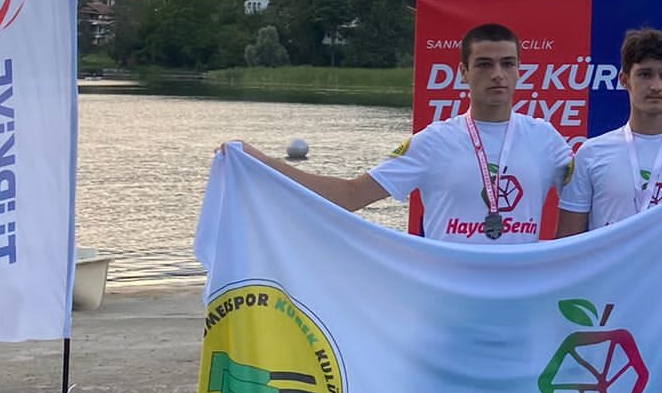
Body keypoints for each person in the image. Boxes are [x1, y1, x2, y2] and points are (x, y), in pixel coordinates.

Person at [237, 22, 572, 241]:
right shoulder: (433, 142)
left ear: (519, 70)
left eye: (507, 63)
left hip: (522, 302)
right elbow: (350, 196)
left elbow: (592, 204)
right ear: (463, 72)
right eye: (484, 64)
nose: (497, 74)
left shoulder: (546, 140)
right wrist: (258, 161)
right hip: (447, 304)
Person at [555, 27, 662, 235]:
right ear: (625, 80)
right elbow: (568, 240)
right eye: (645, 74)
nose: (656, 86)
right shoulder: (590, 153)